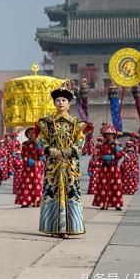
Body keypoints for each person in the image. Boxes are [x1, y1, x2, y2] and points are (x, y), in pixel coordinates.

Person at [36, 86, 91, 239]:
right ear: (55, 103)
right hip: (53, 165)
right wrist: (50, 150)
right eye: (58, 100)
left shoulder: (76, 124)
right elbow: (40, 140)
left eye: (64, 100)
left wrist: (67, 152)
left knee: (71, 193)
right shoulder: (47, 123)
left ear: (69, 104)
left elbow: (80, 141)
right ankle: (53, 227)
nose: (60, 103)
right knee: (51, 193)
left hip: (69, 165)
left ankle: (70, 227)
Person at [92, 124, 124, 210]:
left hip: (114, 168)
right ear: (105, 135)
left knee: (116, 186)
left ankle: (117, 204)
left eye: (111, 134)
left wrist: (117, 152)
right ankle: (103, 204)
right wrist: (105, 157)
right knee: (103, 186)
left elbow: (121, 154)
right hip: (104, 168)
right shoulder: (101, 145)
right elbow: (97, 154)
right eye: (107, 134)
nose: (109, 136)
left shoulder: (117, 144)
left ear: (113, 135)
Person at [16, 127, 45, 208]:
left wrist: (38, 146)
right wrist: (29, 161)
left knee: (37, 183)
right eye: (29, 133)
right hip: (28, 166)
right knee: (26, 184)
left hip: (37, 167)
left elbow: (42, 155)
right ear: (27, 135)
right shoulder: (25, 144)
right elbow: (23, 154)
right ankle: (25, 202)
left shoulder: (39, 143)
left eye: (33, 133)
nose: (31, 134)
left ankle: (37, 201)